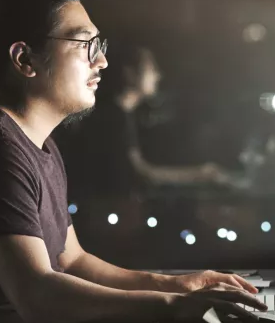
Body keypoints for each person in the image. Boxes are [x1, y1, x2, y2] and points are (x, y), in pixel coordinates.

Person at [0, 0, 265, 323]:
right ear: (25, 60)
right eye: (85, 44)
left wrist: (176, 286)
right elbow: (37, 296)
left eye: (99, 46)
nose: (102, 61)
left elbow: (72, 261)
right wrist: (173, 306)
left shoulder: (40, 145)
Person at [62, 44, 231, 203]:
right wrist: (200, 175)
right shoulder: (113, 117)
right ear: (130, 73)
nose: (158, 75)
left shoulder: (123, 114)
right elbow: (141, 173)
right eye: (151, 68)